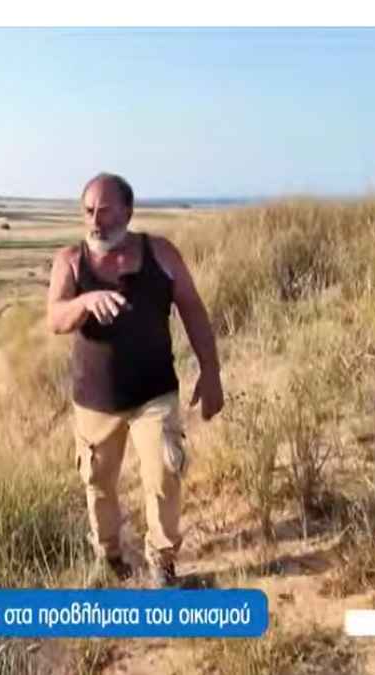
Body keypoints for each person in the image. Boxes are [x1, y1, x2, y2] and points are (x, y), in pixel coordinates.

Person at [46, 172, 225, 587]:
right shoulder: (70, 261)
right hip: (95, 399)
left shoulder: (160, 254)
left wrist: (211, 371)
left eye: (105, 211)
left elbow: (193, 310)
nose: (95, 221)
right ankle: (109, 556)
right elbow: (55, 318)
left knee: (164, 475)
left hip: (154, 392)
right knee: (98, 483)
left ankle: (162, 562)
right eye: (88, 211)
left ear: (128, 211)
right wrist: (86, 301)